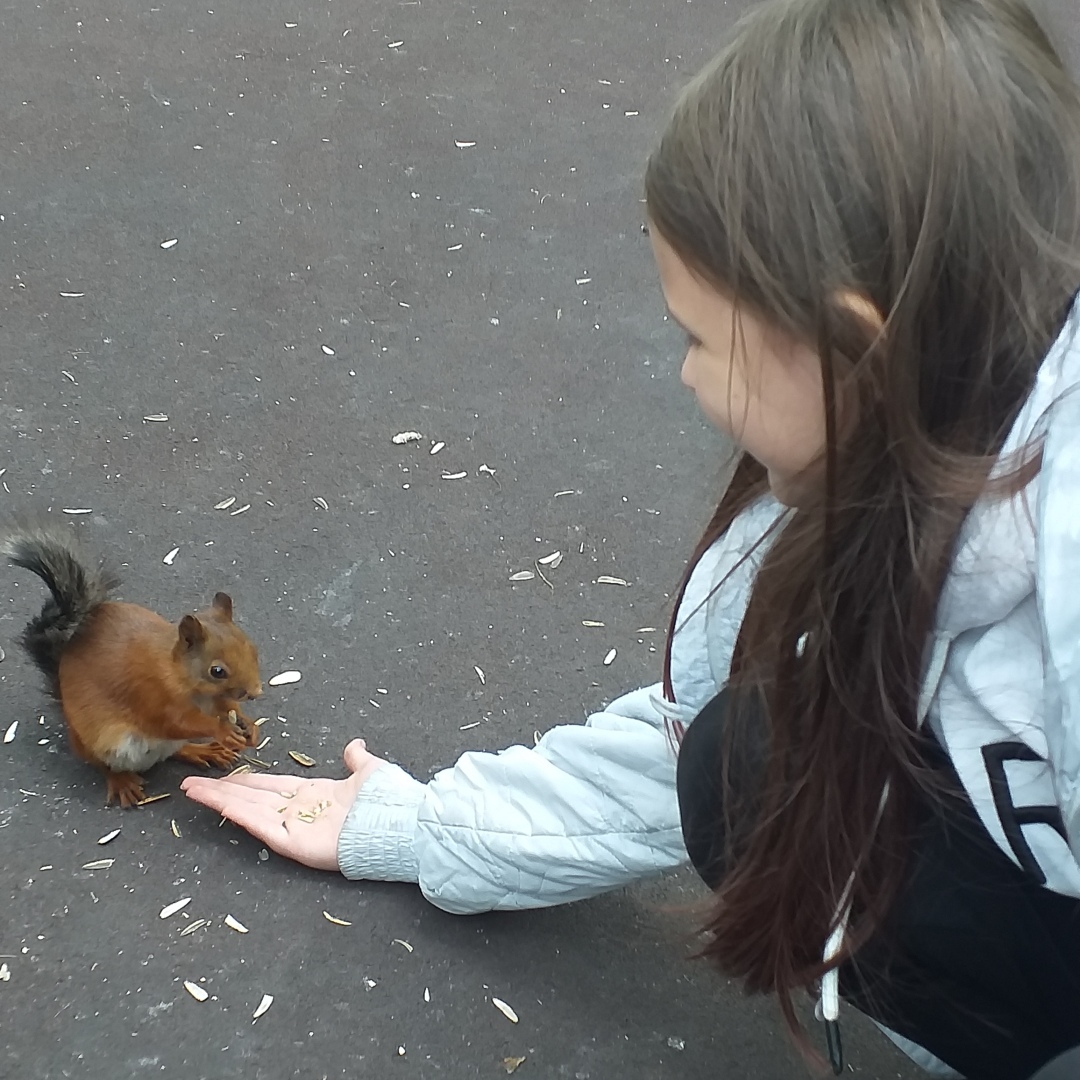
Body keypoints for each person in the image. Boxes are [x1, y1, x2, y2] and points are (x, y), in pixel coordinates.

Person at [180, 0, 1080, 1076]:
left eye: (701, 337)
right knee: (744, 769)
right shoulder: (887, 449)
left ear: (855, 346)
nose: (686, 375)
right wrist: (423, 828)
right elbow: (684, 743)